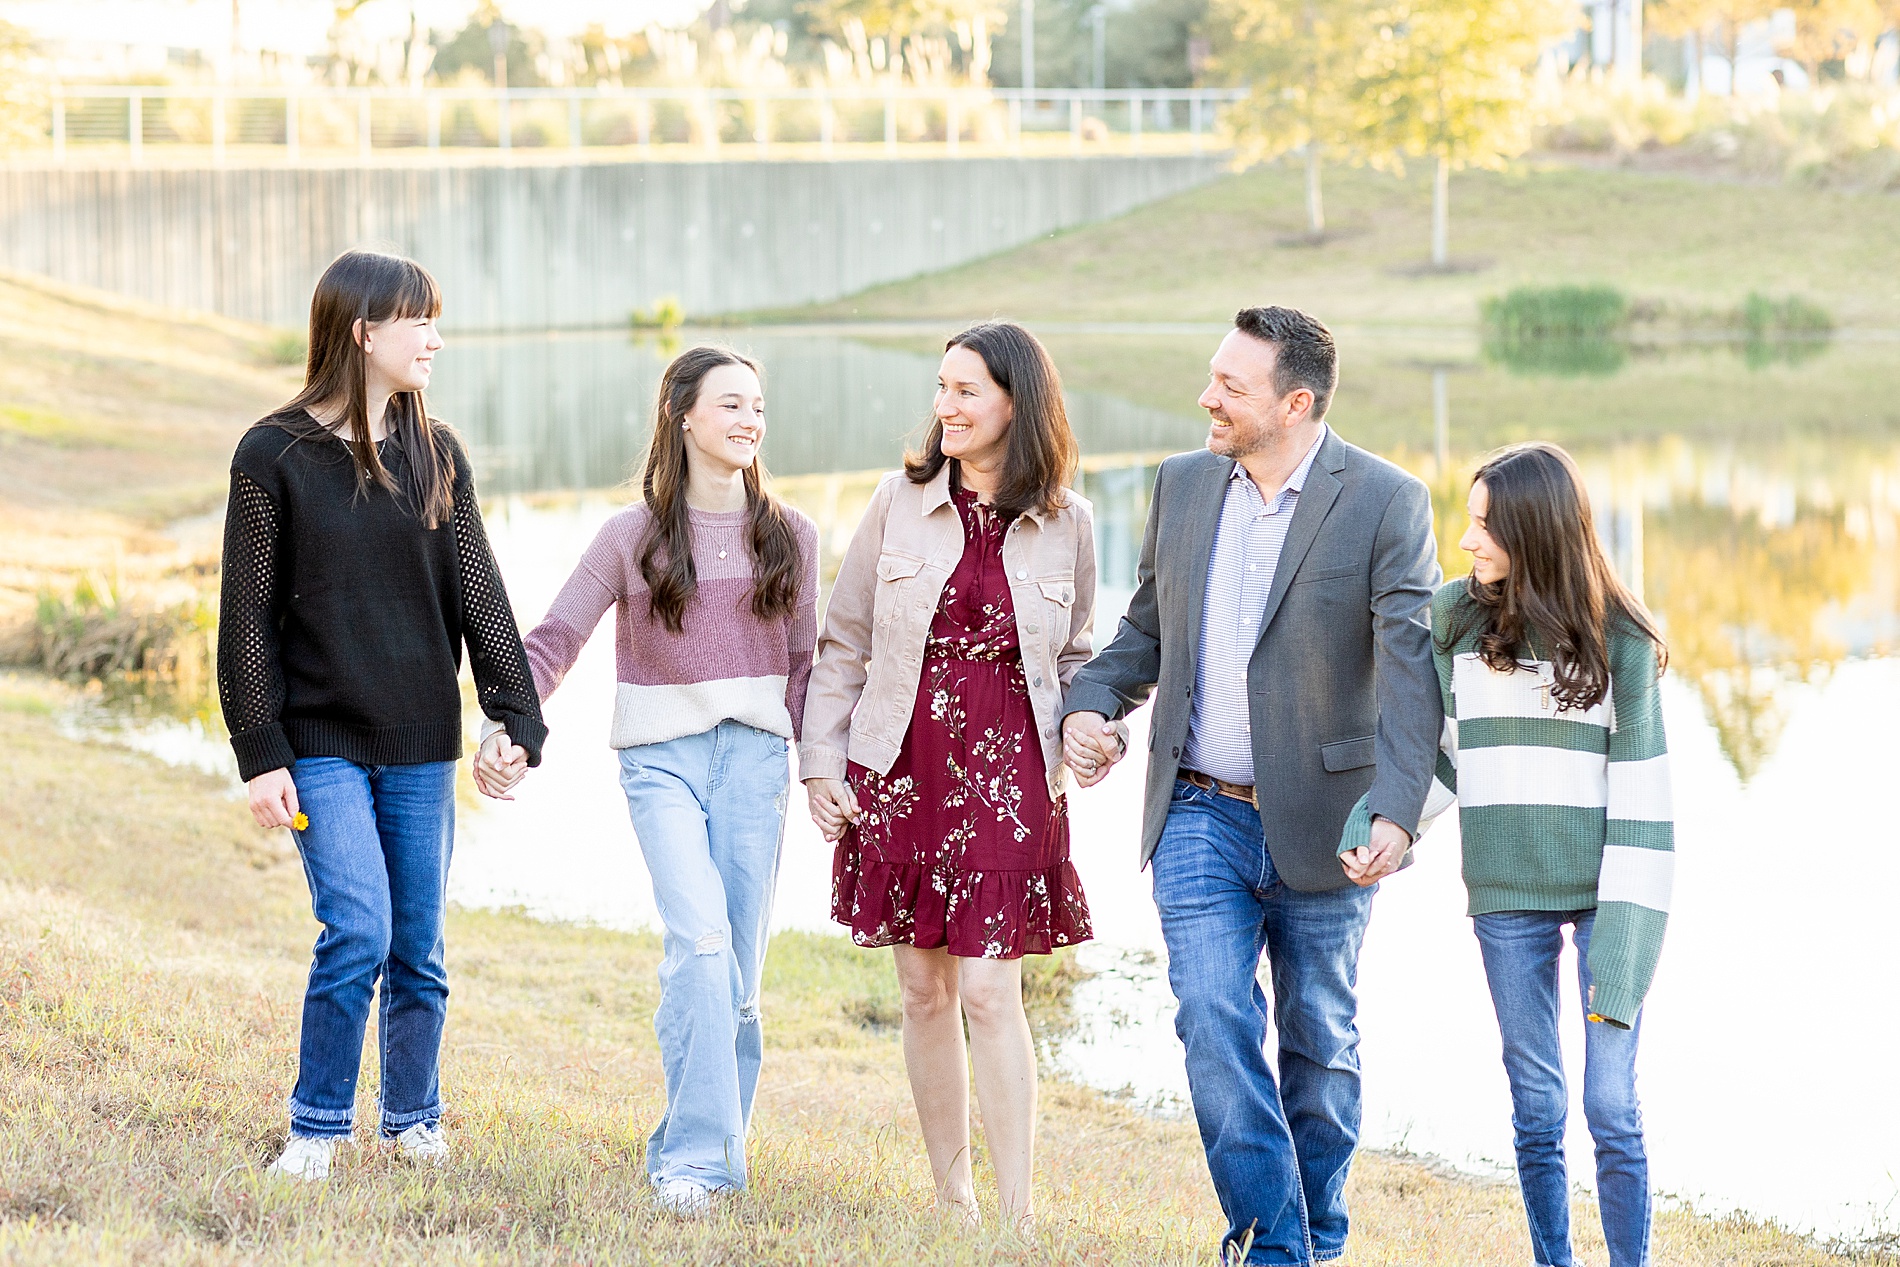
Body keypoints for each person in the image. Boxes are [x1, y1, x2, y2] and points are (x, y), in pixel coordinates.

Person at [1060, 306, 1442, 1264]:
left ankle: (1321, 1235)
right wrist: (1091, 704)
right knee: (1213, 1017)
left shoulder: (1387, 502)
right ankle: (1273, 1243)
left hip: (1329, 825)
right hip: (1195, 809)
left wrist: (1398, 813)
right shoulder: (1185, 485)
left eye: (1232, 386)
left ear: (1296, 403)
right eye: (1212, 376)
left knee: (1320, 1052)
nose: (1207, 397)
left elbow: (1411, 680)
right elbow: (1143, 632)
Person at [217, 249, 544, 1182]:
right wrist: (260, 752)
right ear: (363, 331)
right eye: (418, 320)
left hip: (417, 742)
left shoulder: (436, 452)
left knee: (419, 941)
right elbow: (246, 620)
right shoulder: (270, 454)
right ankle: (317, 1127)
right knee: (357, 925)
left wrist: (510, 715)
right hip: (317, 738)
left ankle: (412, 1118)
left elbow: (478, 594)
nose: (435, 338)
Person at [801, 321, 1098, 1230]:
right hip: (901, 762)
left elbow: (1081, 654)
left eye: (966, 390)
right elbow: (844, 639)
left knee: (986, 988)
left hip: (1010, 770)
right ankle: (952, 1198)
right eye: (941, 388)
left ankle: (1016, 1211)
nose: (946, 406)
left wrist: (1095, 726)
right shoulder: (899, 499)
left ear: (1018, 401)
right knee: (923, 988)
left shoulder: (1069, 519)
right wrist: (822, 762)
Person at [517, 346, 818, 1217]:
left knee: (739, 979)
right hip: (662, 761)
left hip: (756, 763)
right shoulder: (630, 534)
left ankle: (703, 1140)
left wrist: (822, 774)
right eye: (730, 404)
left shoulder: (789, 533)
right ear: (683, 416)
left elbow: (806, 668)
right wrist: (515, 723)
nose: (748, 420)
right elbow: (555, 639)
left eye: (757, 405)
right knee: (700, 943)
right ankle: (699, 1163)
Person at [1432, 442, 1672, 1267]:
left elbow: (1645, 813)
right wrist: (1378, 823)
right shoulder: (1457, 621)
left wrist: (1626, 952)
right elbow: (1440, 755)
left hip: (1612, 895)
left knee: (1610, 1105)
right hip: (1505, 894)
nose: (1467, 541)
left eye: (1486, 525)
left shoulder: (1626, 645)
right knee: (1537, 1105)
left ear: (1536, 535)